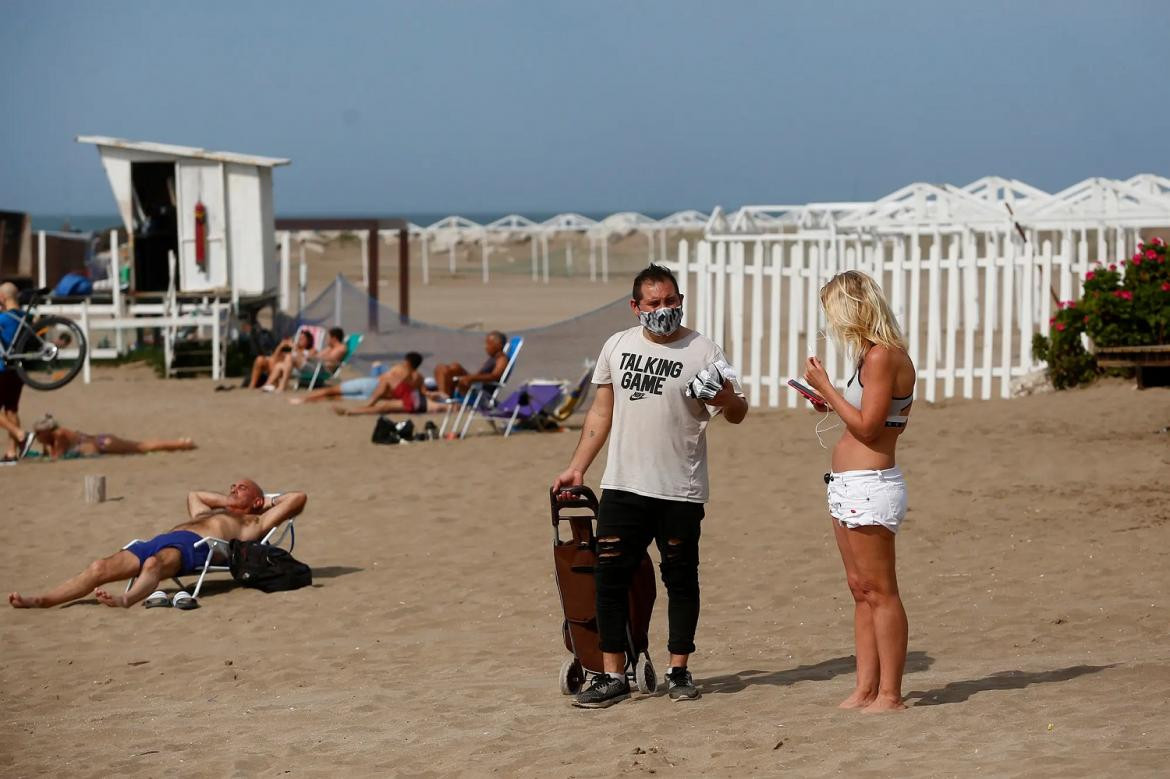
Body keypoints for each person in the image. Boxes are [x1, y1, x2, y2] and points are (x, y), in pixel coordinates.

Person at [551, 264, 748, 708]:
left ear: (681, 300)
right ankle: (612, 674)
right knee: (610, 578)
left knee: (681, 578)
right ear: (635, 307)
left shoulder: (704, 350)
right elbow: (602, 414)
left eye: (671, 301)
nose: (664, 310)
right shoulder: (617, 347)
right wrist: (577, 467)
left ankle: (680, 669)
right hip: (624, 484)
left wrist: (726, 399)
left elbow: (737, 411)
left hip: (681, 487)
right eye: (654, 303)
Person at [801, 270, 916, 713]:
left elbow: (869, 428)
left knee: (881, 589)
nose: (831, 323)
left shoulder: (883, 357)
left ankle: (890, 693)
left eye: (833, 311)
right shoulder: (871, 355)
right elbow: (868, 415)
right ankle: (866, 688)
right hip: (850, 483)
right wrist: (829, 400)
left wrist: (826, 387)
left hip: (871, 483)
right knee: (860, 588)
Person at [8, 480, 307, 608]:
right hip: (160, 540)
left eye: (240, 488)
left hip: (199, 546)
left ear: (256, 500)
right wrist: (229, 500)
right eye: (231, 486)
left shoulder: (252, 523)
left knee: (154, 565)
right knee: (100, 566)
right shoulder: (212, 512)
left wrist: (265, 501)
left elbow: (297, 498)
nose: (232, 489)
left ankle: (128, 599)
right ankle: (44, 599)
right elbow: (195, 495)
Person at [291, 352, 427, 415]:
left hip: (372, 385)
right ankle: (309, 401)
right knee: (336, 397)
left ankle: (304, 399)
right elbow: (422, 393)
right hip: (378, 396)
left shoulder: (400, 368)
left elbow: (384, 379)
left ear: (407, 361)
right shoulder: (419, 378)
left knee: (333, 390)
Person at [32, 414, 196, 459]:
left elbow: (57, 457)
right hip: (102, 441)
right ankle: (180, 444)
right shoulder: (55, 436)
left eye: (38, 433)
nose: (37, 436)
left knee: (141, 447)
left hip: (104, 444)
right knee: (141, 446)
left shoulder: (59, 435)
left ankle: (182, 444)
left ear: (47, 431)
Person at [0, 282, 33, 461]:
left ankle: (20, 434)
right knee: (11, 410)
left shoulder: (4, 319)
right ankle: (12, 452)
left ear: (2, 298)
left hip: (2, 368)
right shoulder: (26, 317)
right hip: (18, 370)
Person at [432, 331, 508, 399]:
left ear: (499, 345)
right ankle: (444, 395)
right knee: (445, 367)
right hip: (474, 384)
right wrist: (471, 377)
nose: (486, 347)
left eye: (488, 344)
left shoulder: (501, 359)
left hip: (479, 388)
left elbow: (495, 376)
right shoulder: (493, 358)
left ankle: (443, 397)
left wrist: (471, 378)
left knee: (452, 367)